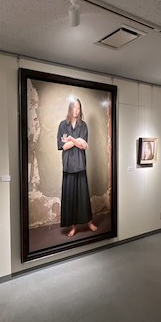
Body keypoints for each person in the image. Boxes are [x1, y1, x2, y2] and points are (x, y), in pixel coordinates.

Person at [57, 98, 97, 237]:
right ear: (70, 108)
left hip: (80, 166)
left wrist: (72, 140)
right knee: (71, 197)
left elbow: (83, 146)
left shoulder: (83, 125)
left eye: (78, 107)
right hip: (68, 166)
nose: (76, 110)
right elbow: (63, 147)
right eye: (74, 107)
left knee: (83, 197)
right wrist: (77, 141)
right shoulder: (63, 125)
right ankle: (73, 226)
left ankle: (89, 222)